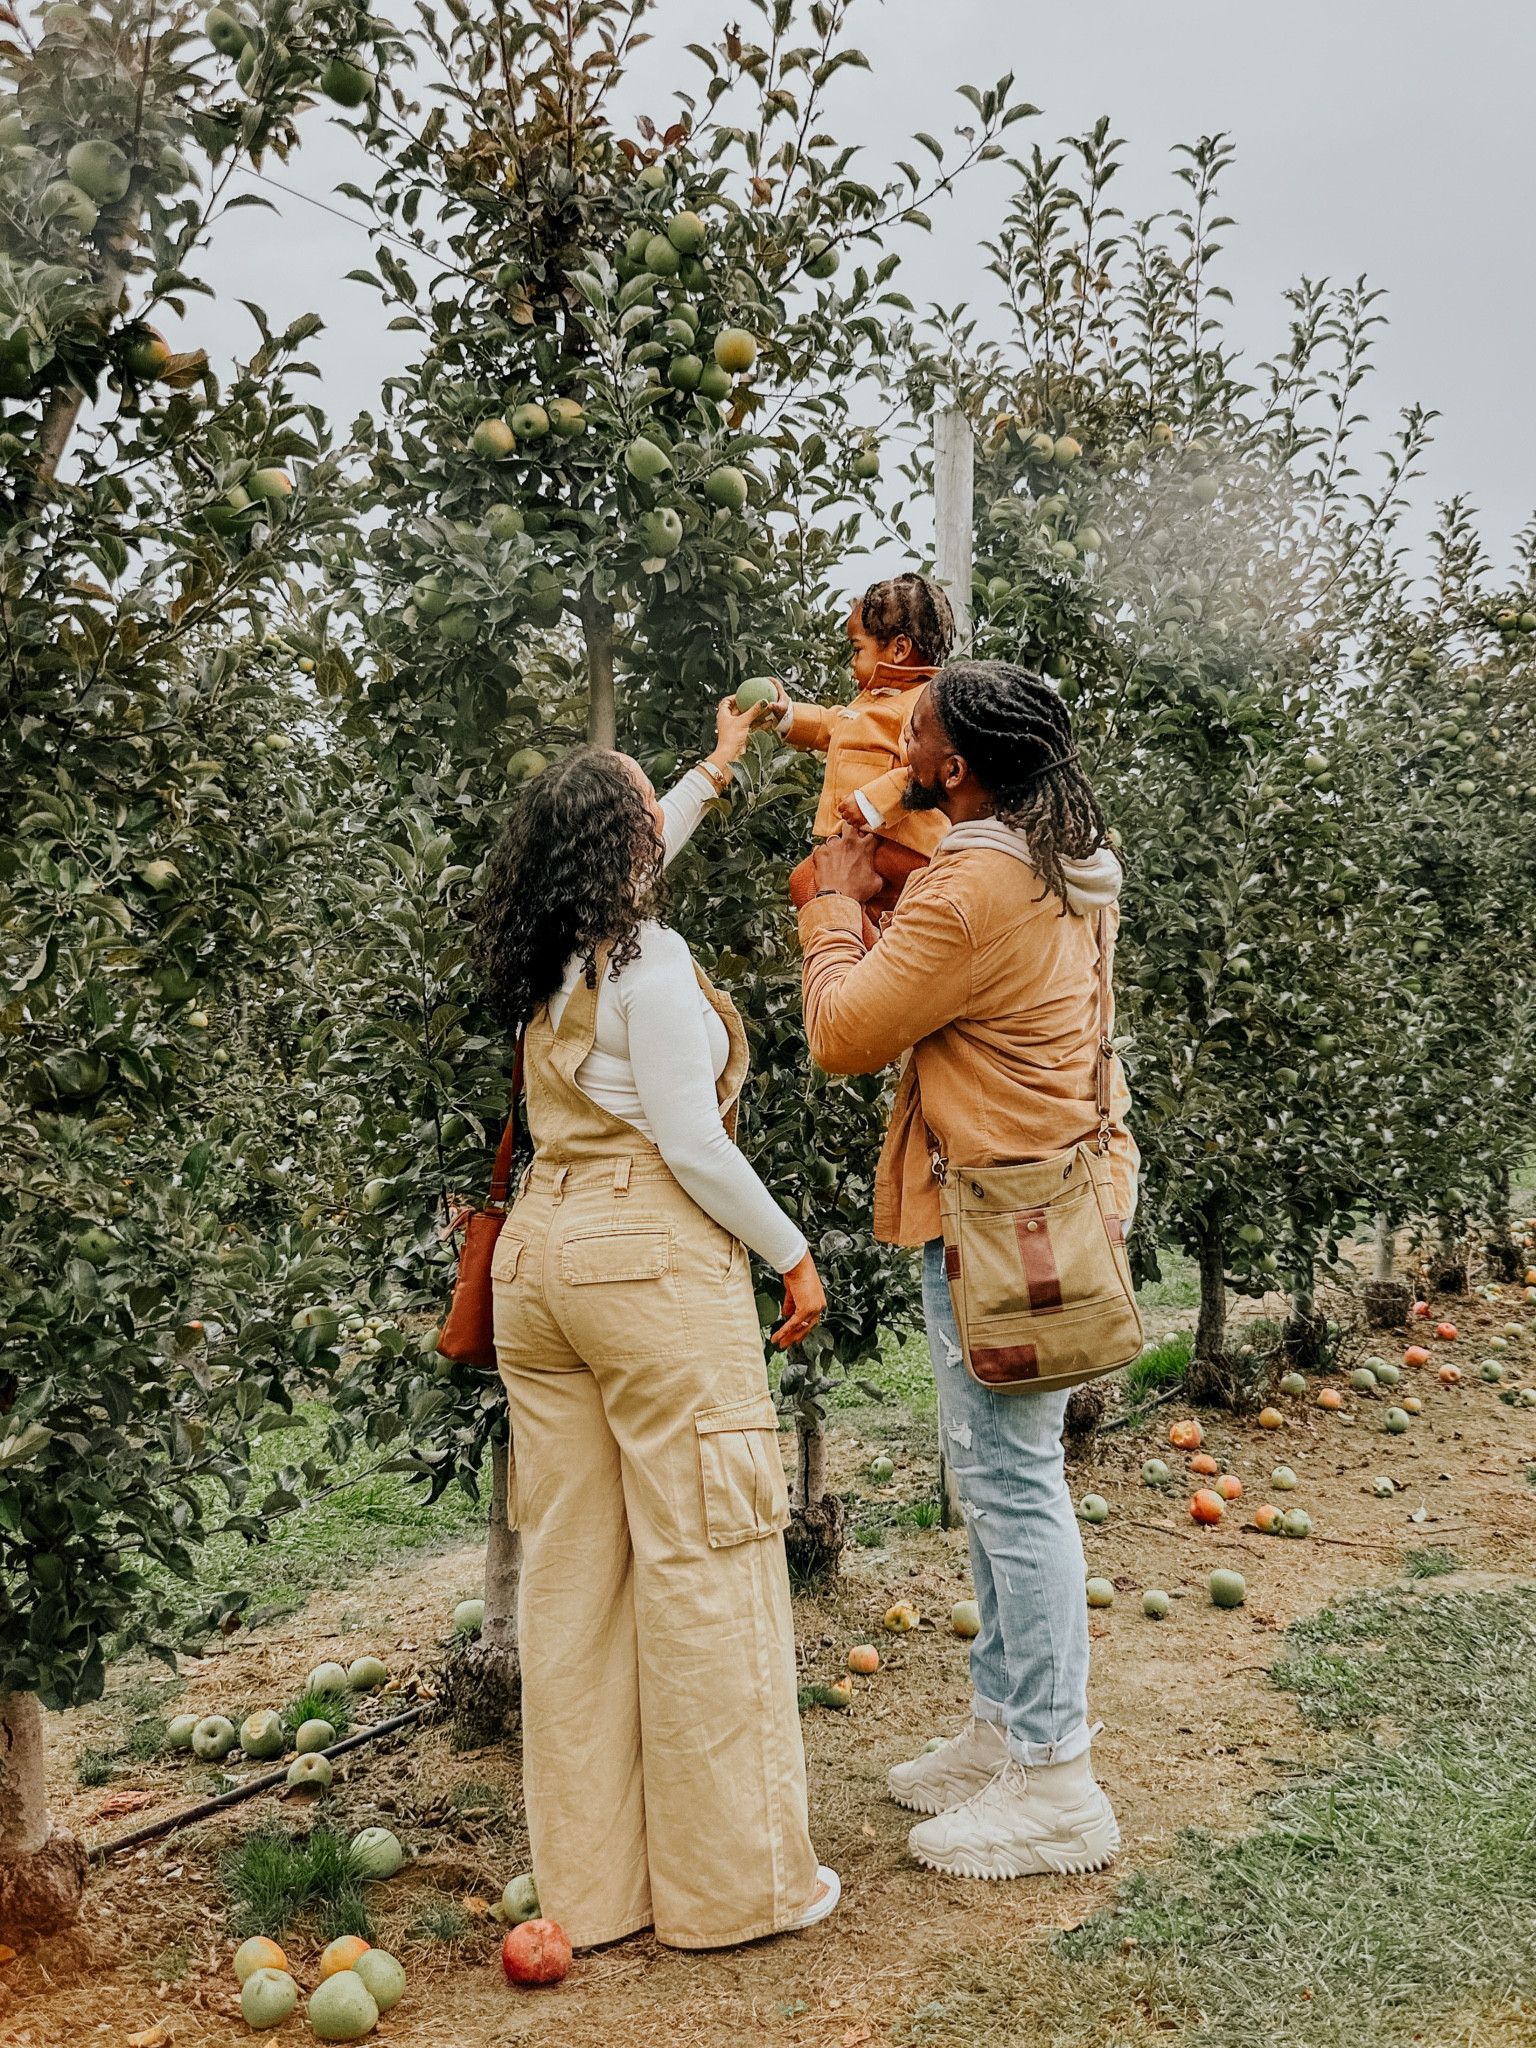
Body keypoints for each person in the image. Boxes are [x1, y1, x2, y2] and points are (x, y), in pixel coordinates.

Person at [475, 698, 839, 1949]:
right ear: (625, 841)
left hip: (539, 1266)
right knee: (702, 1552)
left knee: (574, 1578)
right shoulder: (655, 960)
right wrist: (792, 1253)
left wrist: (714, 768)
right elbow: (691, 1140)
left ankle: (594, 1892)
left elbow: (646, 836)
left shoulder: (554, 953)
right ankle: (736, 1890)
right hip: (643, 1259)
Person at [794, 659, 1138, 1882]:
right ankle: (1004, 1726)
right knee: (1002, 1472)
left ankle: (1055, 1778)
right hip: (1048, 1188)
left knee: (1010, 1480)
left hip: (1002, 1211)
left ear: (957, 762)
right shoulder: (1058, 849)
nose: (905, 729)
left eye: (922, 726)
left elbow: (843, 1033)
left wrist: (834, 905)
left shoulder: (974, 884)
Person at [775, 572, 957, 942]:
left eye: (858, 649)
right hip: (872, 843)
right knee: (860, 904)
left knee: (806, 883)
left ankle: (871, 957)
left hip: (903, 844)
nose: (852, 662)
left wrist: (873, 803)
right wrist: (787, 716)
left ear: (899, 648)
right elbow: (834, 726)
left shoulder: (922, 705)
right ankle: (876, 957)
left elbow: (926, 771)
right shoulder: (873, 702)